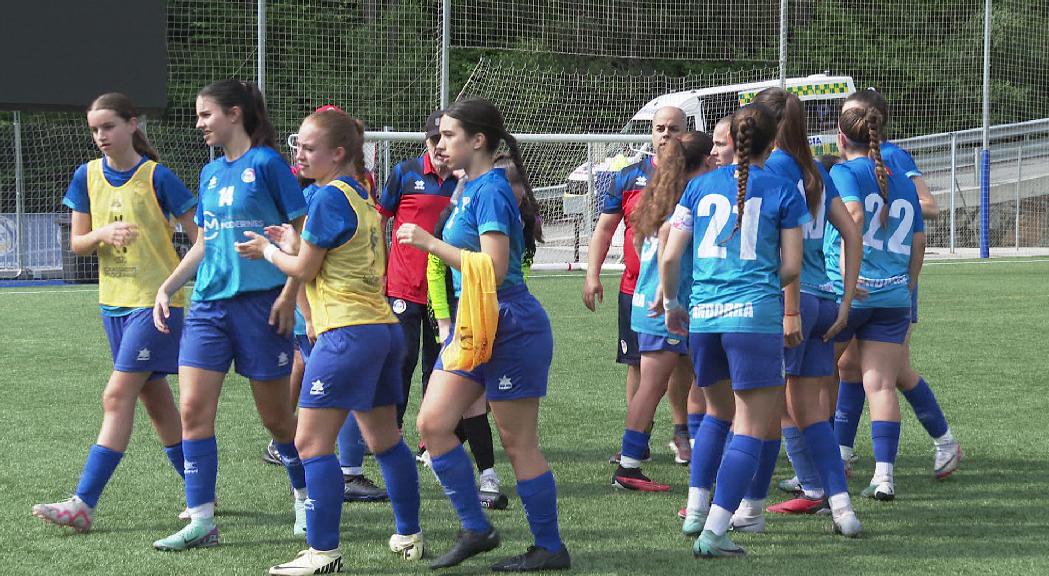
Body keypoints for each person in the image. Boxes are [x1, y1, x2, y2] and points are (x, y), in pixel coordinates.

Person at [236, 107, 424, 576]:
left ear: (338, 153)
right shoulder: (360, 195)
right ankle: (409, 532)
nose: (298, 153)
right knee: (385, 439)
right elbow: (335, 256)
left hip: (346, 334)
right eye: (297, 143)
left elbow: (305, 271)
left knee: (310, 443)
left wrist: (269, 250)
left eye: (309, 147)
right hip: (382, 330)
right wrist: (293, 242)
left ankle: (323, 553)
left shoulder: (324, 198)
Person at [661, 104, 852, 558]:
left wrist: (672, 303)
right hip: (754, 318)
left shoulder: (698, 187)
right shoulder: (785, 189)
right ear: (773, 142)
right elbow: (790, 265)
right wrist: (763, 286)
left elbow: (670, 257)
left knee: (714, 414)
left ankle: (695, 510)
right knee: (750, 424)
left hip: (704, 318)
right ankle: (716, 529)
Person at [396, 96, 570, 571]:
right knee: (432, 424)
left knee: (519, 445)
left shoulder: (491, 189)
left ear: (477, 141)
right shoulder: (469, 187)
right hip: (477, 321)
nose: (440, 143)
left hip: (509, 322)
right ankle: (477, 528)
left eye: (450, 135)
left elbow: (493, 269)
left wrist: (430, 243)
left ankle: (550, 547)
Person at [150, 79, 309, 551]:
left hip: (262, 307)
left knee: (277, 420)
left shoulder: (267, 164)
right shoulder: (210, 173)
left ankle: (304, 494)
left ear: (234, 114)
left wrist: (289, 294)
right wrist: (168, 285)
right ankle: (201, 519)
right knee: (193, 409)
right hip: (208, 307)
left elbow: (302, 235)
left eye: (205, 115)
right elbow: (204, 241)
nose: (199, 124)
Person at [32, 93, 197, 533]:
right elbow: (78, 243)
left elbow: (201, 238)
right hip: (113, 305)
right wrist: (103, 232)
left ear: (132, 124)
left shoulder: (157, 176)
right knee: (155, 402)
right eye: (94, 129)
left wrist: (170, 286)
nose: (101, 136)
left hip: (154, 305)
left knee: (115, 397)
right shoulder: (85, 175)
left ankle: (83, 503)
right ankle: (201, 491)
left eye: (108, 126)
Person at [732, 88, 863, 528]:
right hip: (824, 297)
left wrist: (790, 309)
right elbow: (852, 234)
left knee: (763, 411)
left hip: (794, 300)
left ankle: (747, 508)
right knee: (808, 411)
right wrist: (844, 298)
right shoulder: (815, 170)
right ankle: (840, 507)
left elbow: (781, 250)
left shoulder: (774, 170)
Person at [833, 89, 961, 479]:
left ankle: (945, 441)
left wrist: (878, 209)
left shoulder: (892, 158)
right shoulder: (855, 165)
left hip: (890, 277)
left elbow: (930, 206)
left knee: (892, 371)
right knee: (850, 367)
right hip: (873, 277)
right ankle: (841, 452)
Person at [830, 105, 928, 501]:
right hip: (892, 296)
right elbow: (919, 242)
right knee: (881, 384)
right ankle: (884, 476)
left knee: (816, 379)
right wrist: (907, 286)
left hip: (855, 294)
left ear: (840, 139)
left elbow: (851, 218)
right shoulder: (899, 177)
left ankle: (820, 472)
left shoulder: (844, 172)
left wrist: (848, 280)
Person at [584, 106, 690, 464]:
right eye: (659, 127)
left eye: (673, 128)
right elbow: (604, 228)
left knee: (684, 364)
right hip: (635, 288)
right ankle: (638, 436)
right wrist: (592, 274)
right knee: (638, 364)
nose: (665, 134)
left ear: (684, 132)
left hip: (686, 291)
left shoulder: (697, 177)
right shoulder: (629, 176)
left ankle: (682, 431)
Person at [612, 131, 715, 493]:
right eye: (713, 158)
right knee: (653, 386)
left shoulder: (660, 196)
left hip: (662, 305)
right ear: (702, 162)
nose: (717, 162)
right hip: (665, 308)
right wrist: (665, 295)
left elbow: (644, 245)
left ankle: (701, 456)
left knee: (697, 379)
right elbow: (669, 252)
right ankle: (628, 466)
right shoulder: (685, 202)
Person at [379, 110, 458, 435]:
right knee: (400, 362)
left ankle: (432, 437)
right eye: (434, 138)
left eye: (447, 138)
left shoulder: (463, 180)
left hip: (445, 289)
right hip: (402, 287)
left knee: (438, 365)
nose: (440, 146)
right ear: (425, 140)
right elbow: (379, 219)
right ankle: (391, 432)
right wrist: (382, 269)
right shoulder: (404, 173)